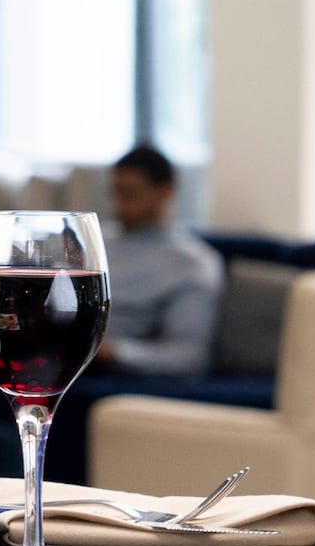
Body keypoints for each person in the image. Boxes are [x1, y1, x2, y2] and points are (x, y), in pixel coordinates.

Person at [92, 145, 224, 376]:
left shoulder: (192, 264)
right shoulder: (94, 241)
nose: (119, 206)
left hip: (109, 370)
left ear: (165, 192)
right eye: (116, 194)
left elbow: (189, 357)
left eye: (131, 195)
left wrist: (115, 352)